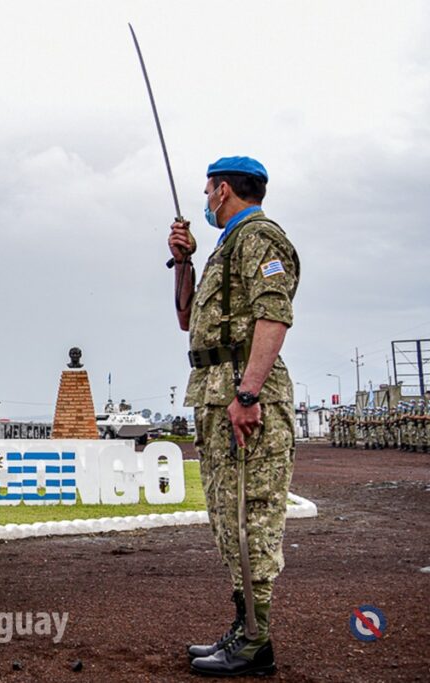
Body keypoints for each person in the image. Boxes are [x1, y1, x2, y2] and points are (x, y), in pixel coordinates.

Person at [168, 156, 300, 676]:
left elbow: (274, 313)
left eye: (207, 193)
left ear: (223, 191)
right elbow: (186, 320)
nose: (203, 202)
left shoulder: (259, 238)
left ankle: (255, 642)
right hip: (215, 390)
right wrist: (183, 261)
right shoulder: (226, 248)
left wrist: (248, 394)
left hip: (242, 396)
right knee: (229, 517)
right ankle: (245, 629)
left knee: (252, 518)